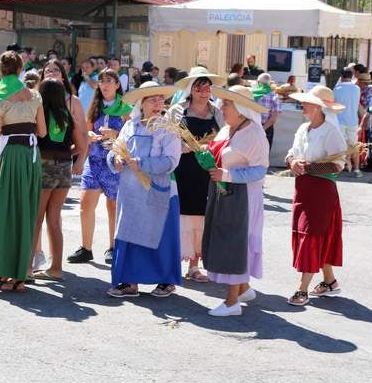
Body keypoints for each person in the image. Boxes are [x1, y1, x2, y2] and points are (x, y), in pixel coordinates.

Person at [106, 81, 182, 298]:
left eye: (160, 99)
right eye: (152, 100)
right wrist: (116, 159)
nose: (158, 104)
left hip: (158, 190)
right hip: (131, 191)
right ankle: (129, 282)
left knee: (159, 234)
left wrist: (142, 163)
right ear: (141, 103)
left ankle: (165, 281)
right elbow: (115, 149)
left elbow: (170, 161)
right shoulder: (130, 126)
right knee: (130, 233)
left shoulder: (168, 128)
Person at [201, 85, 269, 316]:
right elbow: (219, 153)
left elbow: (260, 171)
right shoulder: (228, 129)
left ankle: (232, 303)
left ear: (241, 109)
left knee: (235, 243)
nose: (222, 107)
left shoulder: (254, 133)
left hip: (244, 199)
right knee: (228, 239)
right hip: (226, 194)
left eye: (227, 103)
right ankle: (243, 289)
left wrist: (228, 175)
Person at [0, 51, 46, 292]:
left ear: (0, 71)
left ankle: (1, 270)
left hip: (7, 155)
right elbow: (42, 132)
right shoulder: (34, 96)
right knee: (25, 211)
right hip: (30, 157)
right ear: (21, 69)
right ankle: (21, 273)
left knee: (2, 210)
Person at [285, 86, 347, 306]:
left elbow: (339, 165)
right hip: (302, 189)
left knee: (311, 236)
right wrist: (292, 162)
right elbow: (292, 153)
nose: (303, 106)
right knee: (310, 234)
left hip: (321, 191)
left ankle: (302, 289)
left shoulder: (331, 131)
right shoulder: (303, 128)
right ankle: (329, 281)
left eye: (307, 103)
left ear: (320, 108)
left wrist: (309, 167)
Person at [168, 67, 225, 282]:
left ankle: (194, 266)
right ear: (191, 89)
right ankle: (175, 262)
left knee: (201, 216)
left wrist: (211, 149)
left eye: (207, 87)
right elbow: (167, 137)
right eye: (198, 87)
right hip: (182, 169)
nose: (203, 91)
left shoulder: (216, 112)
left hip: (206, 171)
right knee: (179, 215)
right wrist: (183, 146)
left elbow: (224, 138)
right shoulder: (177, 110)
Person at [69, 68, 130, 265]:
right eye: (102, 81)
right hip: (94, 161)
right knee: (85, 204)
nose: (105, 85)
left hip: (115, 163)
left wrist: (115, 135)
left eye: (109, 81)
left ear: (117, 85)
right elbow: (86, 133)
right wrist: (90, 137)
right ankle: (86, 248)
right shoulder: (95, 107)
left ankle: (113, 247)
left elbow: (132, 138)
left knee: (113, 206)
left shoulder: (125, 109)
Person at [31, 78, 87, 281]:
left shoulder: (39, 113)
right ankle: (56, 268)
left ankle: (27, 269)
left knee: (36, 219)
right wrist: (64, 153)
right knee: (54, 220)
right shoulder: (67, 116)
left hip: (44, 166)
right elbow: (81, 146)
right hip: (64, 168)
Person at [333, 69, 362, 177]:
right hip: (353, 120)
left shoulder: (337, 89)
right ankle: (357, 169)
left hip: (340, 120)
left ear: (341, 76)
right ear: (352, 76)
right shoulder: (357, 88)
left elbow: (333, 104)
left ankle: (337, 169)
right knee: (354, 146)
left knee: (339, 146)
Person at [253, 72, 281, 151]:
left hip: (251, 126)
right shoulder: (273, 96)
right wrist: (263, 129)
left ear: (258, 82)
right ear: (269, 83)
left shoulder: (250, 94)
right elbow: (274, 118)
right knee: (264, 153)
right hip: (266, 128)